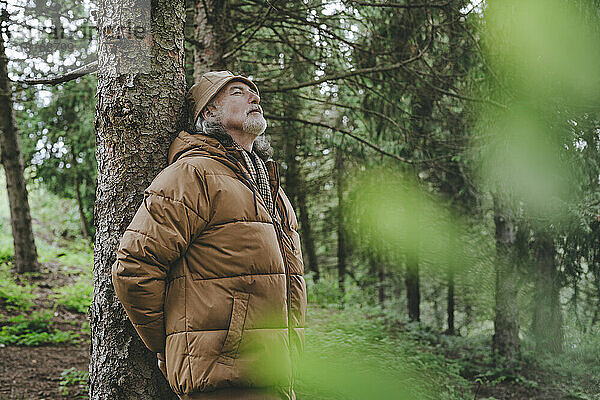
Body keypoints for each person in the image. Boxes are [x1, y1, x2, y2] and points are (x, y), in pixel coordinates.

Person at [111, 71, 307, 400]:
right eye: (237, 92)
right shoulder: (192, 174)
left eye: (255, 93)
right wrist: (171, 343)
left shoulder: (268, 183)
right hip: (222, 380)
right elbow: (135, 266)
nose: (254, 98)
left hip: (275, 375)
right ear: (208, 112)